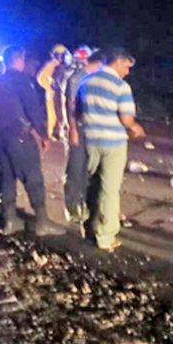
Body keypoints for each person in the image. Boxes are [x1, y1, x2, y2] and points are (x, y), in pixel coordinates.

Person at [0, 46, 64, 236]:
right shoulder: (22, 81)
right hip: (19, 137)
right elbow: (33, 111)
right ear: (18, 60)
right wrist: (44, 135)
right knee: (33, 178)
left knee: (7, 180)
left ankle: (10, 220)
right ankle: (42, 222)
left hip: (0, 139)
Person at [77, 47, 145, 251]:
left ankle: (88, 228)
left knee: (91, 185)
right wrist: (136, 128)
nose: (128, 71)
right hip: (113, 144)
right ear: (117, 62)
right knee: (110, 190)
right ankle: (106, 236)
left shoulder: (86, 81)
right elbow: (126, 119)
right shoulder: (121, 86)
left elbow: (78, 112)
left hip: (90, 141)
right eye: (127, 66)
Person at [63, 48, 102, 228]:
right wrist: (72, 129)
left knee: (89, 169)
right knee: (76, 168)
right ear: (99, 63)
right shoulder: (77, 78)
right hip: (78, 127)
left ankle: (85, 205)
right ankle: (72, 207)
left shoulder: (95, 78)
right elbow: (70, 105)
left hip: (92, 128)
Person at [36, 44, 70, 140]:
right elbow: (41, 78)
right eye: (58, 54)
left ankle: (63, 132)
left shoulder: (67, 65)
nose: (60, 57)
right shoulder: (51, 65)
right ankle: (54, 133)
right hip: (52, 96)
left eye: (62, 54)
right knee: (53, 116)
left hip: (64, 96)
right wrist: (50, 87)